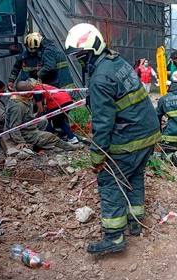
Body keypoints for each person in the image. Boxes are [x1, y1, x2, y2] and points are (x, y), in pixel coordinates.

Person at [65, 23, 161, 254]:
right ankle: (134, 221)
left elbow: (103, 122)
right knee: (134, 175)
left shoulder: (100, 78)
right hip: (148, 132)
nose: (79, 60)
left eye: (81, 55)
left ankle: (114, 237)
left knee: (110, 182)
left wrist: (97, 157)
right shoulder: (116, 61)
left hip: (131, 137)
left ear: (92, 51)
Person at [4, 81, 79, 151]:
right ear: (25, 93)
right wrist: (20, 141)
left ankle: (44, 141)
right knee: (50, 136)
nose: (32, 93)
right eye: (30, 91)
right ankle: (69, 147)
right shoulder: (18, 106)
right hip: (25, 133)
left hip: (27, 126)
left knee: (44, 121)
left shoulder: (22, 98)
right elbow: (14, 126)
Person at [27, 78, 79, 144]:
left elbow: (40, 110)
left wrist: (35, 117)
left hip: (59, 102)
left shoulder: (36, 91)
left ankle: (50, 138)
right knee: (59, 121)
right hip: (68, 100)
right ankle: (72, 137)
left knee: (47, 118)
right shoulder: (43, 86)